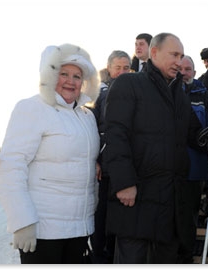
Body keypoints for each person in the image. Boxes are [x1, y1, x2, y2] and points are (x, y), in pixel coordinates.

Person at [0, 44, 100, 264]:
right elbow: (12, 166)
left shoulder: (86, 117)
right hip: (44, 231)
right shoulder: (32, 108)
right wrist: (22, 222)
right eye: (64, 74)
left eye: (77, 76)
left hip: (80, 228)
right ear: (50, 76)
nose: (71, 81)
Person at [104, 33, 202, 264]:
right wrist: (124, 183)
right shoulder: (129, 83)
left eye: (181, 56)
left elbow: (195, 134)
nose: (179, 61)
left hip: (170, 203)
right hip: (136, 199)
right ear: (154, 53)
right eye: (174, 55)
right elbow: (116, 134)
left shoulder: (180, 94)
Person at [89, 50, 131, 263]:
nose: (122, 72)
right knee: (102, 215)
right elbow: (93, 128)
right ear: (110, 69)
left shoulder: (135, 91)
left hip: (127, 167)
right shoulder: (101, 93)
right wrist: (96, 159)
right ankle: (99, 258)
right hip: (105, 166)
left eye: (126, 68)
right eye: (118, 68)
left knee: (121, 216)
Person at [177, 55, 208, 263]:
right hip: (168, 168)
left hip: (195, 170)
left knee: (186, 222)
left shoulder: (204, 95)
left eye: (188, 69)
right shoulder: (167, 91)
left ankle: (184, 260)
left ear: (194, 72)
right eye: (181, 69)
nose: (184, 73)